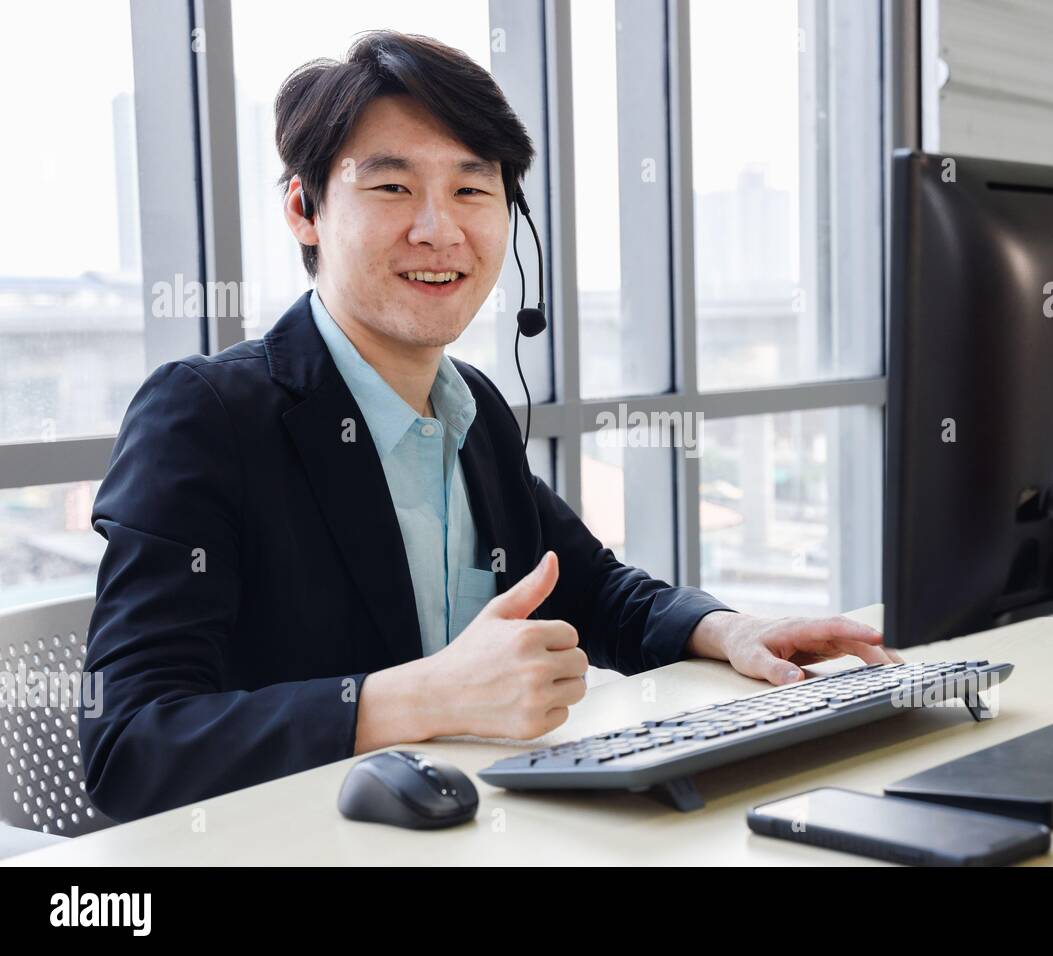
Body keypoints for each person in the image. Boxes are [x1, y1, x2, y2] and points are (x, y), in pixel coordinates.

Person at [80, 30, 898, 823]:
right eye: (393, 187)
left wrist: (735, 629)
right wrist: (417, 696)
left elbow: (591, 590)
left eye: (473, 189)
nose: (440, 229)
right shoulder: (205, 416)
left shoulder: (469, 408)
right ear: (305, 208)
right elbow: (129, 745)